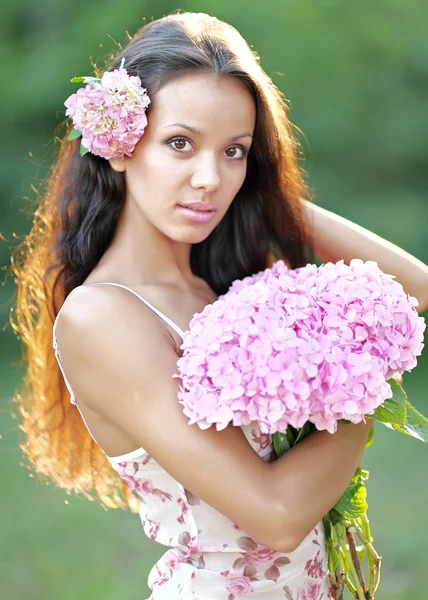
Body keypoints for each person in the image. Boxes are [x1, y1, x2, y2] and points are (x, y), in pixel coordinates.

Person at [11, 11, 428, 600]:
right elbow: (278, 515)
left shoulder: (227, 289)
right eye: (180, 143)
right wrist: (355, 379)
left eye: (235, 151)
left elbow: (419, 290)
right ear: (120, 145)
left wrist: (269, 202)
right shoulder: (101, 317)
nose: (210, 177)